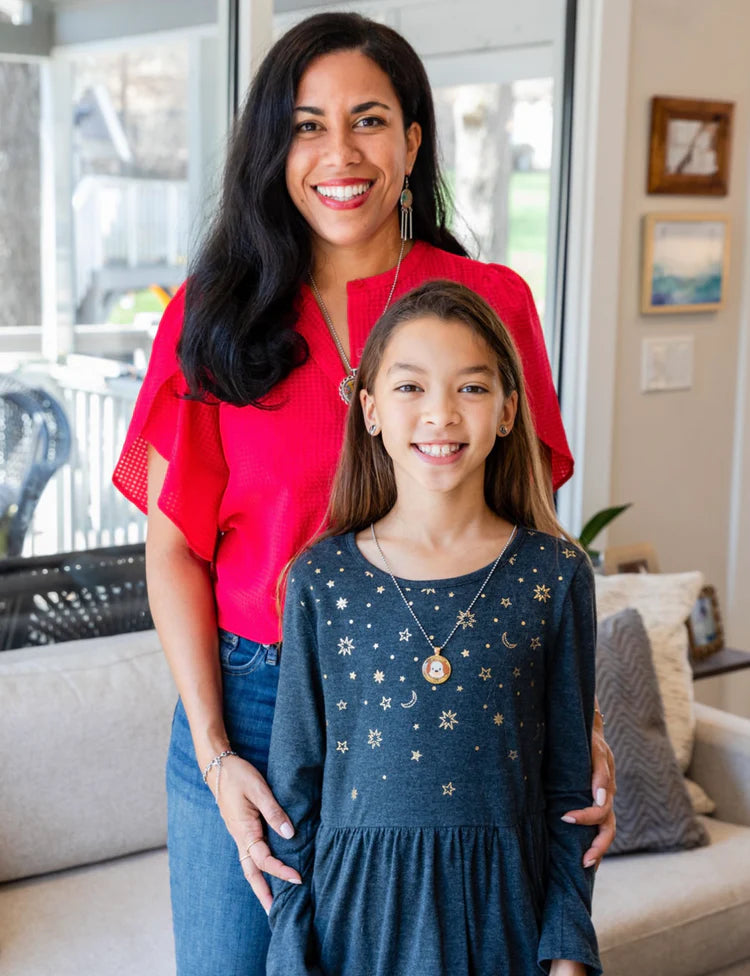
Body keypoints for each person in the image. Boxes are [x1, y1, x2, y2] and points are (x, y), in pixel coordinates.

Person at [112, 12, 614, 976]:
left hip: (447, 698)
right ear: (273, 149)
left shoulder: (491, 300)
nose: (339, 154)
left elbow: (529, 526)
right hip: (255, 703)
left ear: (413, 142)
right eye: (307, 126)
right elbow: (173, 547)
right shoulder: (213, 311)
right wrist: (216, 752)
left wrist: (577, 722)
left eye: (369, 120)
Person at [265, 280, 601, 976]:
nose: (440, 413)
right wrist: (290, 956)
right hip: (356, 923)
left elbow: (571, 792)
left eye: (471, 388)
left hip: (504, 917)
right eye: (410, 388)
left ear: (508, 411)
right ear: (371, 411)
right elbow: (294, 795)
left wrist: (569, 954)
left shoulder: (555, 574)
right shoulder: (320, 580)